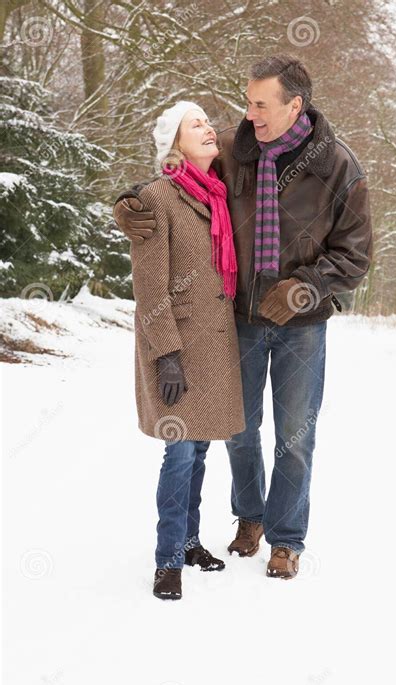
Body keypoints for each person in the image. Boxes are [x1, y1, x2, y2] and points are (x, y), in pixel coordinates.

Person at [115, 55, 373, 581]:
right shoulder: (235, 149)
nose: (248, 113)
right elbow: (178, 176)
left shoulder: (339, 166)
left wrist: (305, 288)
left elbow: (356, 254)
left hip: (304, 327)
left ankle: (286, 539)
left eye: (259, 103)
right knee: (239, 429)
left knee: (295, 436)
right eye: (247, 101)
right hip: (239, 320)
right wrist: (130, 205)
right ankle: (249, 516)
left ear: (293, 105)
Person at [128, 100, 245, 600]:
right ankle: (168, 557)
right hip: (175, 345)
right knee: (179, 453)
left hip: (214, 346)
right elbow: (149, 286)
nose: (209, 130)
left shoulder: (216, 195)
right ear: (174, 143)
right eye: (195, 125)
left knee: (198, 451)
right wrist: (167, 353)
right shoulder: (157, 198)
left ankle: (191, 539)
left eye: (208, 123)